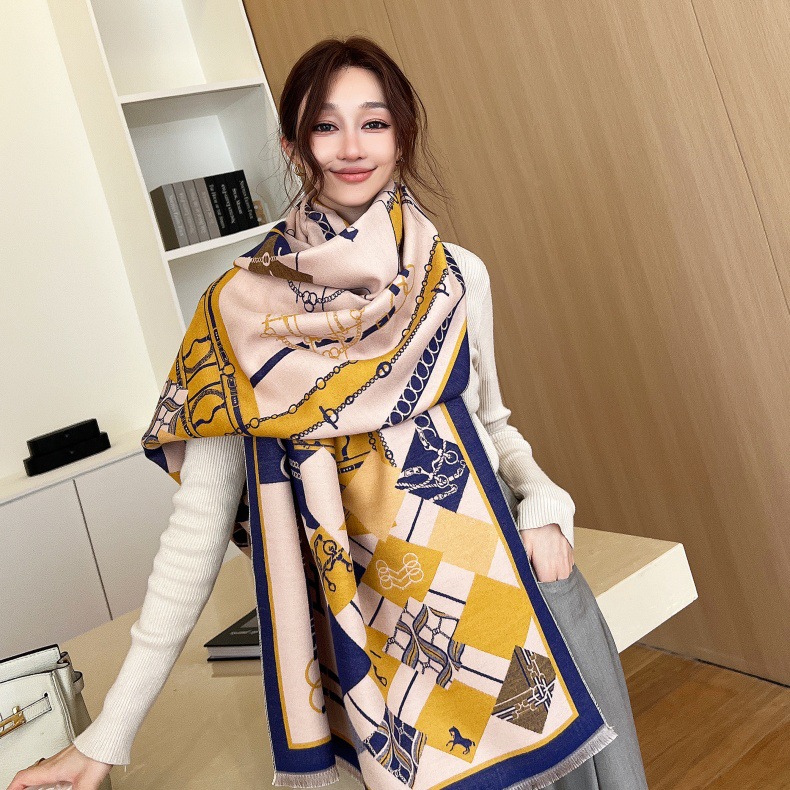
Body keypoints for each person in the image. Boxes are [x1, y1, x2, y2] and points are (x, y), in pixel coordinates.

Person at [8, 36, 647, 790]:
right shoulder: (237, 315)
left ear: (403, 136)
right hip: (376, 652)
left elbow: (492, 424)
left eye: (374, 123)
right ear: (292, 146)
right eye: (325, 125)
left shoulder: (455, 277)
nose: (352, 147)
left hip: (523, 600)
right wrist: (107, 736)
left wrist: (544, 504)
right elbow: (196, 533)